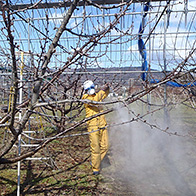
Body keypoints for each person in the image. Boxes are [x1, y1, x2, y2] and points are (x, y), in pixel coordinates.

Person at [82, 80, 109, 175]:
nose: (91, 90)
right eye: (88, 88)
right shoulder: (85, 98)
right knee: (95, 148)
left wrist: (107, 87)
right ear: (85, 90)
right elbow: (94, 101)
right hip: (93, 126)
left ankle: (95, 161)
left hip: (102, 124)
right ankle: (96, 168)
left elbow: (104, 94)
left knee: (105, 146)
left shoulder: (98, 95)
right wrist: (101, 90)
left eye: (91, 87)